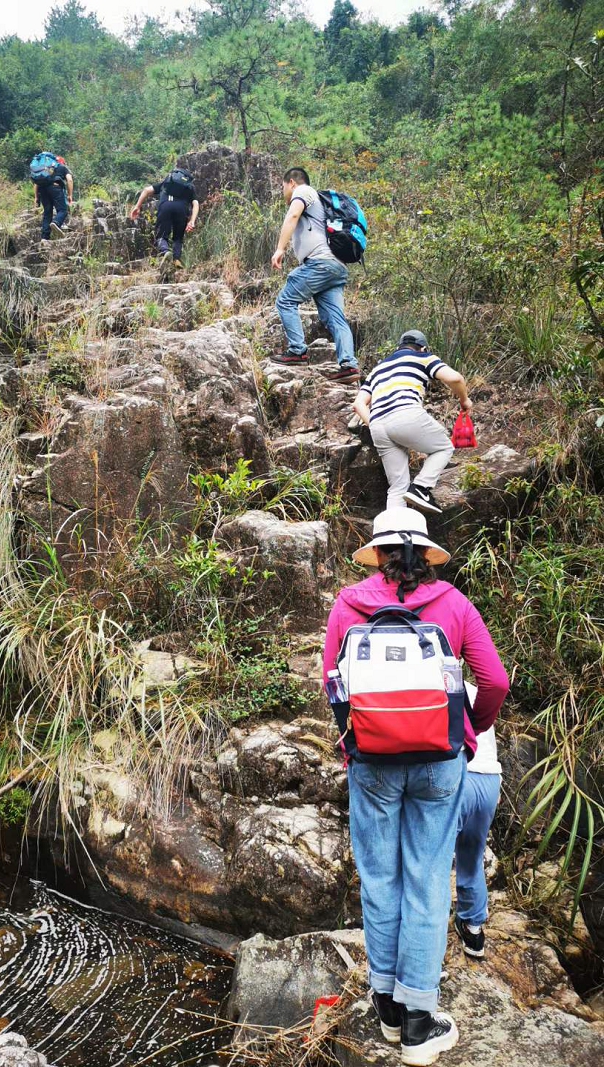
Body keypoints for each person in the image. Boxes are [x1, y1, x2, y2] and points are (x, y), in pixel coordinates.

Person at [323, 507, 508, 1066]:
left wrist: (355, 740)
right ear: (427, 555)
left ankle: (386, 1009)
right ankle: (419, 1025)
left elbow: (333, 684)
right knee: (427, 881)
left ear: (377, 554)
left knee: (380, 878)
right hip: (438, 761)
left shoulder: (348, 604)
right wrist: (467, 732)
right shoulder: (453, 604)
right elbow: (494, 681)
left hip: (372, 761)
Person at [352, 330, 471, 515]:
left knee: (397, 487)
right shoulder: (422, 357)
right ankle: (421, 488)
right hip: (405, 413)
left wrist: (374, 423)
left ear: (399, 347)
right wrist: (464, 401)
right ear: (423, 348)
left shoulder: (378, 369)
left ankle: (393, 529)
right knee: (444, 448)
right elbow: (455, 378)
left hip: (377, 424)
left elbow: (358, 404)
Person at [270, 166, 359, 381]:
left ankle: (297, 350)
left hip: (320, 263)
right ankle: (349, 365)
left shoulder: (303, 191)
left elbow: (293, 215)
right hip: (336, 267)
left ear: (292, 183)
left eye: (283, 187)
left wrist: (280, 248)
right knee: (335, 318)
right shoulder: (317, 202)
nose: (283, 192)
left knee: (285, 300)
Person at [454, 682, 501, 959]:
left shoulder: (433, 683)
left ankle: (429, 947)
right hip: (490, 780)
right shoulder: (475, 689)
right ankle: (473, 930)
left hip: (460, 775)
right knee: (472, 855)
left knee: (434, 864)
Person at [130, 169, 199, 269]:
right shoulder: (189, 187)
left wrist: (137, 206)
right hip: (182, 209)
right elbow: (195, 204)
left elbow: (146, 190)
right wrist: (192, 221)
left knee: (161, 236)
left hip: (166, 205)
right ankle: (176, 259)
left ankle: (165, 252)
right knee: (178, 238)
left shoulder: (167, 182)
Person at [33, 153, 73, 241]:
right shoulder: (62, 167)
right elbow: (69, 180)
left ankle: (44, 237)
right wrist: (70, 195)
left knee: (47, 213)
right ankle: (56, 223)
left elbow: (36, 184)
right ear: (63, 162)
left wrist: (36, 197)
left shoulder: (45, 168)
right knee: (63, 210)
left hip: (42, 190)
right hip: (55, 188)